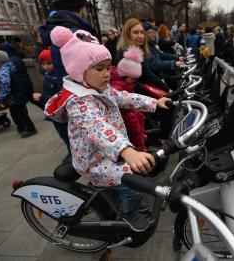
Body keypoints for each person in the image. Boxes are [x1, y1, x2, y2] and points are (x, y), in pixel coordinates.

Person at [44, 26, 171, 231]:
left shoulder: (98, 88)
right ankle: (129, 214)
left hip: (107, 151)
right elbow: (97, 127)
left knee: (137, 172)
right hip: (94, 160)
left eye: (107, 67)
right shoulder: (79, 102)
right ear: (79, 70)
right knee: (133, 182)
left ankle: (119, 200)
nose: (106, 74)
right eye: (99, 69)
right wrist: (127, 151)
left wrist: (154, 103)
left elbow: (124, 97)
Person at [39, 0, 97, 163]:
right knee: (98, 151)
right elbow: (91, 75)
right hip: (85, 102)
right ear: (80, 7)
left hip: (72, 100)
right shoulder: (74, 34)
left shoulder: (58, 31)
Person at [0, 50, 37, 137]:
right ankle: (22, 128)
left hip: (14, 96)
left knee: (20, 114)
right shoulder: (11, 65)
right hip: (19, 92)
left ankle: (30, 129)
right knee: (17, 113)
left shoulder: (3, 71)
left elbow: (5, 88)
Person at [110, 46, 147, 152]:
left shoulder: (125, 83)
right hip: (123, 113)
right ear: (124, 75)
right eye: (132, 79)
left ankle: (140, 136)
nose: (134, 81)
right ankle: (139, 145)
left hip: (127, 109)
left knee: (139, 116)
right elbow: (120, 101)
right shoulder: (118, 86)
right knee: (134, 122)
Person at [32, 49, 70, 151]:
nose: (46, 66)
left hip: (60, 113)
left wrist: (41, 97)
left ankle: (72, 154)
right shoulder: (48, 75)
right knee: (62, 135)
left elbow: (61, 97)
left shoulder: (58, 77)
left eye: (49, 63)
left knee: (66, 135)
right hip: (54, 112)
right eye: (43, 64)